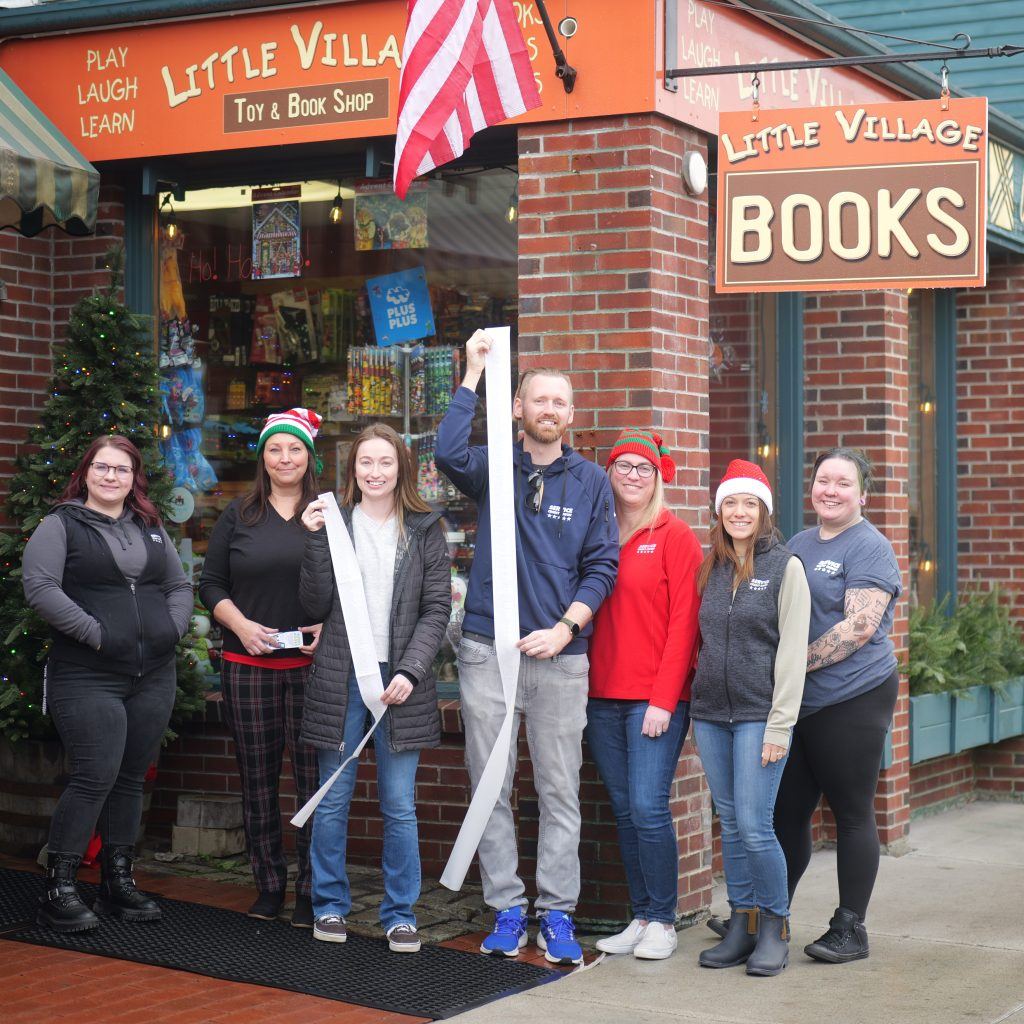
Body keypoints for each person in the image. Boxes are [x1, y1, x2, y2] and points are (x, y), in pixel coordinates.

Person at [435, 330, 619, 966]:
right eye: (537, 400)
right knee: (491, 784)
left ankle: (558, 913)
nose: (549, 410)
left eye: (559, 403)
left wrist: (566, 628)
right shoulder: (493, 466)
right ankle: (507, 907)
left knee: (559, 788)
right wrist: (472, 373)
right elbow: (443, 450)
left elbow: (602, 566)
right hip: (489, 649)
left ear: (571, 414)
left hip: (562, 658)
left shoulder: (591, 481)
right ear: (518, 408)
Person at [23, 435, 193, 932]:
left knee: (129, 777)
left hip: (153, 673)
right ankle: (60, 886)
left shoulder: (151, 527)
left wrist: (173, 628)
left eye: (121, 469)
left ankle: (118, 883)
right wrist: (95, 634)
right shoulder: (61, 525)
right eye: (102, 468)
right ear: (86, 472)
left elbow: (179, 586)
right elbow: (40, 588)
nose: (111, 477)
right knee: (94, 775)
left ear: (134, 477)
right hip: (88, 674)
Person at [298, 424, 450, 952]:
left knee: (398, 804)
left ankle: (400, 913)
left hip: (400, 681)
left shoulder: (425, 527)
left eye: (386, 462)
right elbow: (314, 603)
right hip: (340, 679)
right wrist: (315, 540)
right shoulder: (336, 522)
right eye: (366, 462)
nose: (376, 472)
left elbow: (437, 608)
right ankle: (330, 907)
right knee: (334, 799)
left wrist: (410, 670)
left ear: (401, 468)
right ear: (352, 469)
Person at [774, 448, 901, 964]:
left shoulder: (869, 547)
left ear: (862, 494)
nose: (830, 490)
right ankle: (768, 914)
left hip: (853, 695)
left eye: (842, 483)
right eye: (823, 480)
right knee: (787, 814)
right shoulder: (799, 543)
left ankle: (850, 928)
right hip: (800, 702)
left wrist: (790, 666)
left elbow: (859, 627)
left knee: (850, 813)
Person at [198, 408, 323, 927]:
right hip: (246, 665)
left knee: (312, 783)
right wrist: (243, 628)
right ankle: (269, 885)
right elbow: (210, 585)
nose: (285, 458)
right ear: (263, 456)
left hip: (312, 668)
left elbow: (351, 586)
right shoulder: (239, 513)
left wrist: (329, 629)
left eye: (294, 449)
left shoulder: (327, 513)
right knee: (258, 780)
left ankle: (311, 891)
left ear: (309, 456)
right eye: (275, 449)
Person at [690, 460, 810, 976]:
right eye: (730, 504)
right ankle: (743, 922)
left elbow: (792, 654)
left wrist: (780, 726)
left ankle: (776, 925)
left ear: (763, 512)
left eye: (749, 504)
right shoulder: (709, 567)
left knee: (758, 828)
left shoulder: (787, 567)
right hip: (712, 715)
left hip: (761, 715)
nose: (739, 513)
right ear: (719, 511)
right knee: (733, 825)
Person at [586, 429, 702, 961]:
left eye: (643, 468)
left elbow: (685, 624)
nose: (632, 475)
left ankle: (663, 920)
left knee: (649, 806)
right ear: (608, 472)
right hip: (600, 694)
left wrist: (664, 697)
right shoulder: (597, 530)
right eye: (623, 466)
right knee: (625, 809)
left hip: (655, 698)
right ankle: (639, 915)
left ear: (658, 476)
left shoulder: (674, 535)